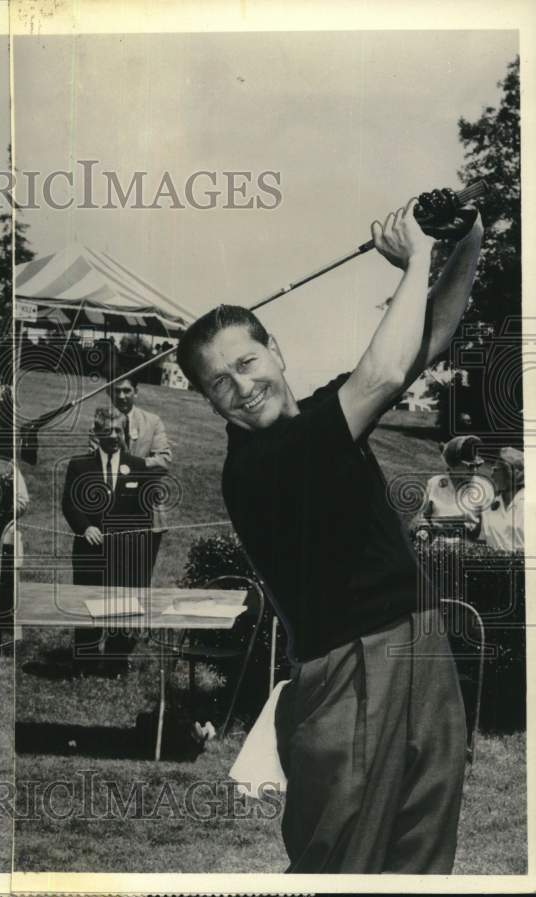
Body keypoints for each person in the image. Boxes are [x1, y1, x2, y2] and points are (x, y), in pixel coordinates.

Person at [176, 194, 484, 873]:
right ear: (208, 402)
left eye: (247, 363)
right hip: (351, 669)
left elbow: (426, 342)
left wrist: (468, 237)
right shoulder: (259, 463)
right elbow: (379, 373)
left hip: (420, 638)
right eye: (219, 384)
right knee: (339, 865)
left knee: (421, 856)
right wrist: (416, 257)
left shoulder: (320, 418)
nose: (242, 386)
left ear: (274, 349)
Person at [63, 406, 159, 677]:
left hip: (123, 553)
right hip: (88, 550)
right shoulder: (80, 465)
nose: (115, 435)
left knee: (118, 606)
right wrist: (86, 527)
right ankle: (85, 662)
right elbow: (70, 504)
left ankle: (116, 663)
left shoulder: (137, 467)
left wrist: (130, 540)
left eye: (119, 430)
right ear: (96, 433)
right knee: (87, 605)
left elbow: (144, 514)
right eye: (108, 430)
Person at [107, 370, 171, 570]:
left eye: (126, 390)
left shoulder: (153, 422)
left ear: (136, 392)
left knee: (140, 579)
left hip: (148, 513)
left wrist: (130, 464)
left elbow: (164, 462)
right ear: (110, 393)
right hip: (112, 516)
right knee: (111, 579)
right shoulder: (101, 423)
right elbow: (96, 467)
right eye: (116, 391)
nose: (121, 396)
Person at [418, 434, 493, 538]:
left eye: (477, 465)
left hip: (467, 544)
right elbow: (422, 517)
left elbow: (489, 529)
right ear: (452, 466)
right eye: (469, 466)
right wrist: (424, 530)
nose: (475, 470)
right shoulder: (434, 483)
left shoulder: (484, 488)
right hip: (436, 542)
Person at [474, 446, 524, 551]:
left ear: (510, 473)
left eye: (496, 470)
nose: (491, 475)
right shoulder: (489, 504)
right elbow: (481, 541)